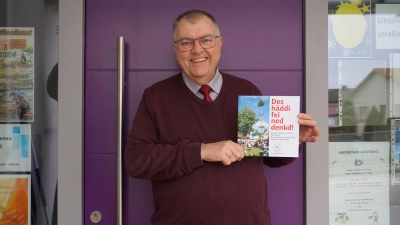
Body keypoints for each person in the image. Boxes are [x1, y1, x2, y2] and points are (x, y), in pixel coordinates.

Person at [125, 9, 320, 225]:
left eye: (206, 40)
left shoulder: (247, 91)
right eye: (186, 42)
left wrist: (293, 138)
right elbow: (137, 161)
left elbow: (269, 157)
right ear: (176, 48)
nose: (197, 49)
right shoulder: (156, 97)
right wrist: (202, 151)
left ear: (219, 43)